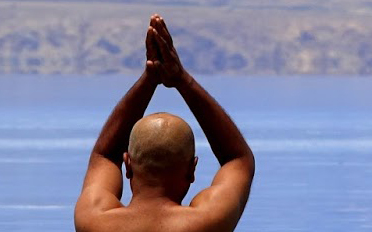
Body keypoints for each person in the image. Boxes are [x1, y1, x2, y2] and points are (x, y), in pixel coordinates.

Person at [74, 14, 256, 232]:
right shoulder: (206, 222)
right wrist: (182, 80)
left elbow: (104, 155)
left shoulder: (94, 221)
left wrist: (149, 78)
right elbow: (237, 159)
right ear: (192, 170)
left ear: (128, 165)